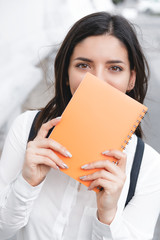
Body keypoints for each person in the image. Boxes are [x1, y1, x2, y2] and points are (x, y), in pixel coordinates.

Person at [0, 11, 160, 240]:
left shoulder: (149, 166)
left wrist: (108, 214)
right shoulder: (27, 130)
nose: (97, 80)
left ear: (131, 79)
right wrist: (26, 183)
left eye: (114, 68)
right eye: (83, 65)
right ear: (66, 73)